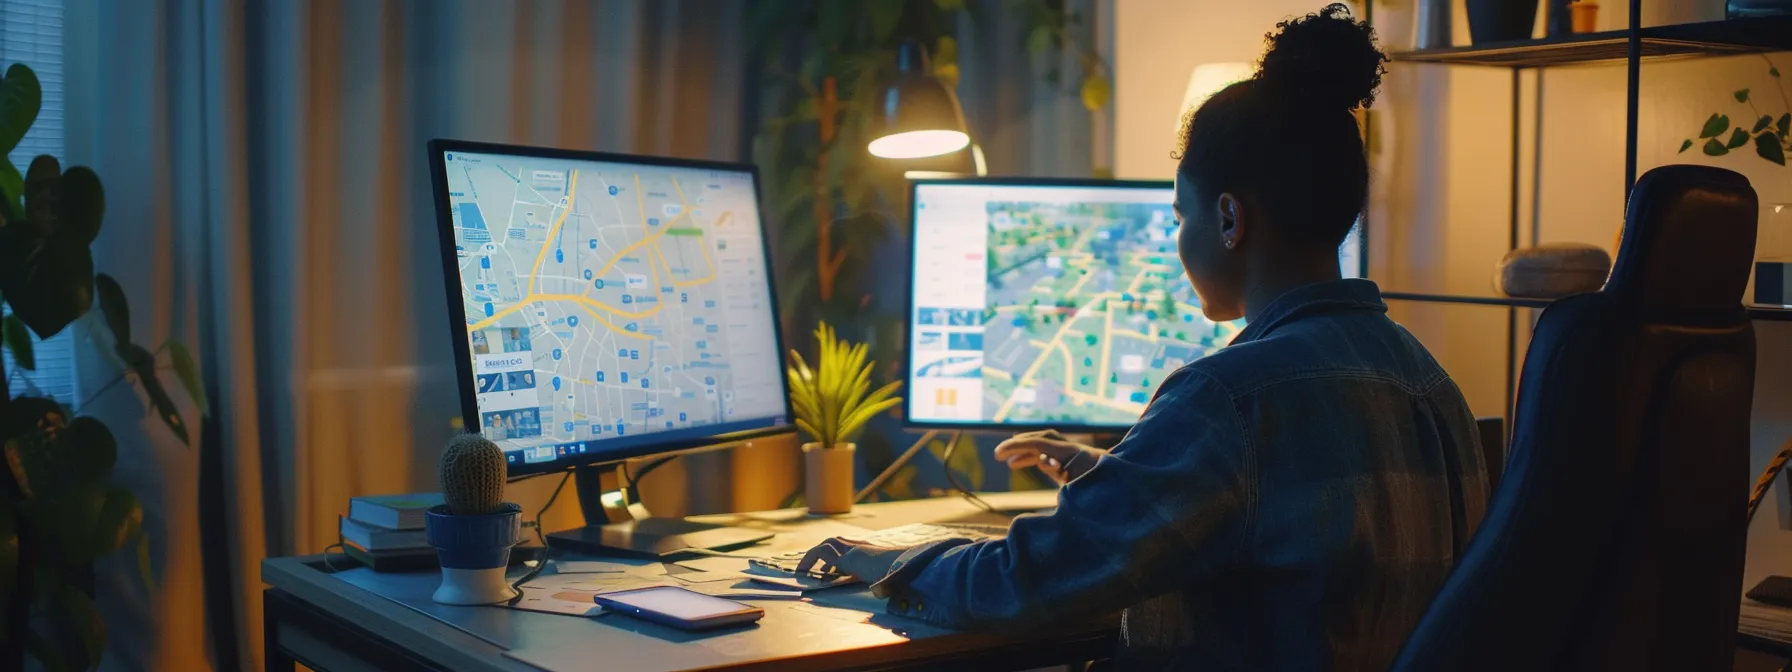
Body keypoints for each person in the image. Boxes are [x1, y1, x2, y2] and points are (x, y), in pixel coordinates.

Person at [797, 6, 1491, 670]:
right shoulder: (1434, 383)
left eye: (1178, 216)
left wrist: (882, 559)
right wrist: (1110, 472)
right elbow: (1291, 519)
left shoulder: (1229, 400)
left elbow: (1018, 583)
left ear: (1228, 219)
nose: (1178, 242)